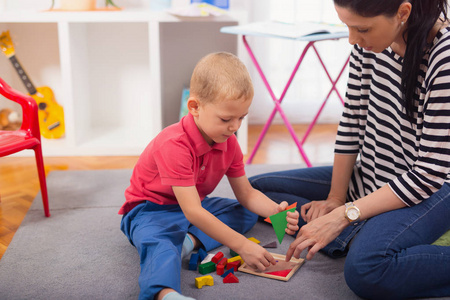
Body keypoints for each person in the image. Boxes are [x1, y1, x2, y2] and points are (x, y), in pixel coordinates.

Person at [249, 0, 450, 299]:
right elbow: (353, 120)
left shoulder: (443, 57)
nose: (352, 39)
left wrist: (344, 214)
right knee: (258, 193)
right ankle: (359, 232)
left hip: (429, 191)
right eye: (347, 27)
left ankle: (355, 234)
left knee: (366, 270)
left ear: (403, 13)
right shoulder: (369, 46)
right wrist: (335, 198)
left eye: (362, 29)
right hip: (371, 175)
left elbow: (428, 174)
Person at [119, 52, 300, 300]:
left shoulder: (229, 142)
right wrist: (241, 245)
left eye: (241, 118)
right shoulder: (174, 145)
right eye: (226, 119)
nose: (235, 127)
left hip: (194, 205)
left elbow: (246, 194)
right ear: (194, 107)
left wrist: (275, 212)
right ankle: (165, 293)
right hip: (151, 210)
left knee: (246, 211)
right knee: (159, 245)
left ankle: (187, 241)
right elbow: (193, 212)